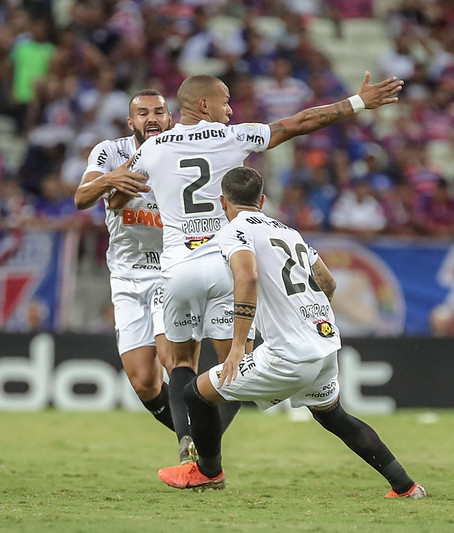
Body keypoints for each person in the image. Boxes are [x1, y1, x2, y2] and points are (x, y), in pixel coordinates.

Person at [121, 72, 404, 465]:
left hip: (177, 268)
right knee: (234, 365)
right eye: (224, 100)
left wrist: (104, 188)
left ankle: (188, 442)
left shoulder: (151, 148)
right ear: (205, 105)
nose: (230, 108)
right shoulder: (234, 136)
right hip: (224, 264)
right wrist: (357, 103)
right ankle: (210, 454)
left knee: (181, 362)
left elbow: (118, 193)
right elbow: (299, 123)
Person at [156, 167, 425, 498]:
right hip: (324, 343)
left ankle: (208, 472)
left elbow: (248, 276)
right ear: (262, 200)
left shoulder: (233, 232)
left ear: (223, 202)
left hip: (289, 354)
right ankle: (406, 486)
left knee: (195, 394)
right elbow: (328, 281)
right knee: (335, 417)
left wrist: (239, 345)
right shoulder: (288, 231)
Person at [73, 89, 181, 454]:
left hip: (171, 270)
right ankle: (199, 432)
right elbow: (81, 198)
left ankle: (194, 447)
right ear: (130, 122)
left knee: (172, 360)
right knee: (144, 382)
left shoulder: (183, 152)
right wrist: (111, 180)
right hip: (126, 275)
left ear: (170, 119)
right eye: (143, 113)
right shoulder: (109, 151)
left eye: (159, 112)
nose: (151, 118)